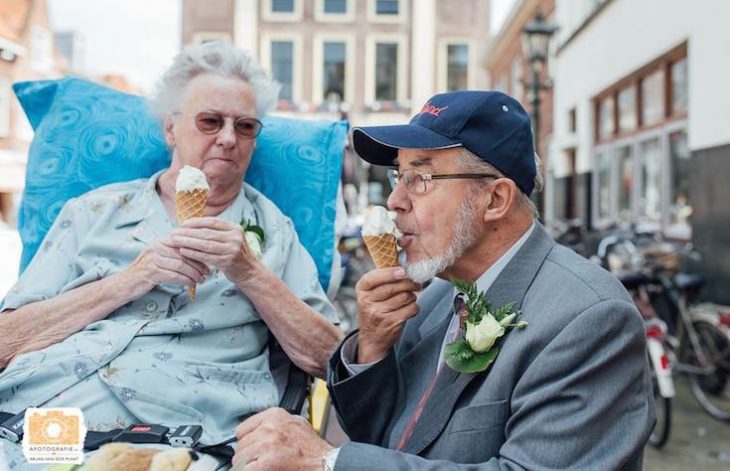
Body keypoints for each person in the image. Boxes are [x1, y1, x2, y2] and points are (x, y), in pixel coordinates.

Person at [232, 90, 655, 470]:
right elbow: (383, 436)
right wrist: (373, 349)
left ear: (496, 199)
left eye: (421, 177)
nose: (395, 201)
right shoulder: (437, 294)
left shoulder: (590, 318)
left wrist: (328, 460)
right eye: (399, 177)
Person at [0, 42, 341, 467]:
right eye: (210, 121)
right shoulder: (93, 212)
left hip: (179, 440)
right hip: (38, 420)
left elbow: (332, 360)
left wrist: (250, 273)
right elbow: (5, 341)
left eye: (246, 126)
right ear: (170, 130)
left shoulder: (274, 233)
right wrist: (129, 280)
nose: (229, 139)